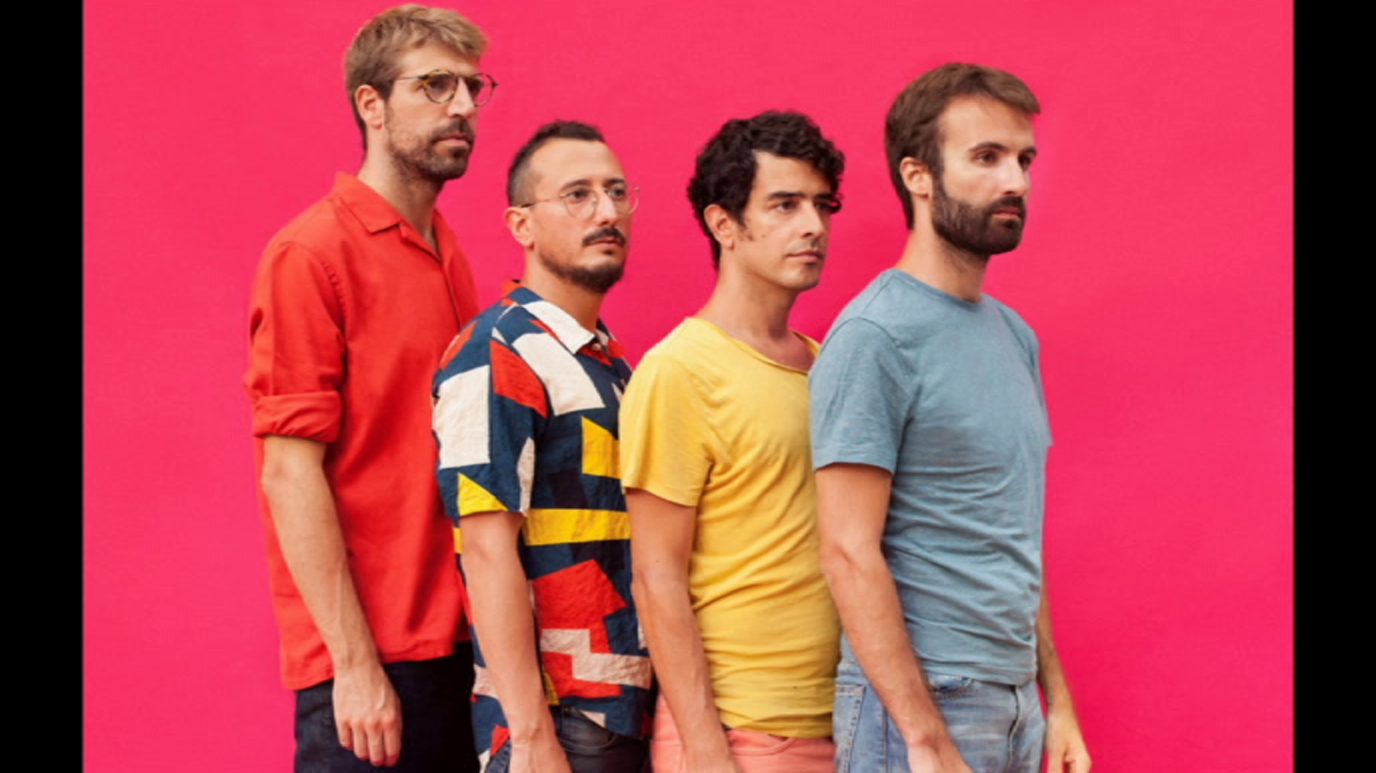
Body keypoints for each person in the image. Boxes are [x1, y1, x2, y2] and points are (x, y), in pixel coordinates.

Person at [809, 63, 1092, 773]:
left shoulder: (1014, 335)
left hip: (1015, 703)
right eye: (986, 157)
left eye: (1024, 159)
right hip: (921, 706)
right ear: (919, 176)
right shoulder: (875, 335)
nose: (1015, 181)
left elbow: (1014, 535)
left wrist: (1056, 701)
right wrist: (925, 736)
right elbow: (846, 550)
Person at [244, 6, 493, 770]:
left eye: (473, 86)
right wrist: (353, 664)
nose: (462, 105)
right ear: (371, 104)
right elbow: (289, 472)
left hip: (463, 649)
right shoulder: (310, 254)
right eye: (435, 85)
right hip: (371, 669)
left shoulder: (449, 253)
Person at [617, 111, 845, 773]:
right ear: (724, 224)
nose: (813, 225)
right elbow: (656, 577)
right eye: (784, 204)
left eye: (822, 205)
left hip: (843, 722)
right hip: (742, 736)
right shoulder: (680, 370)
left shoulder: (825, 362)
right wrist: (707, 751)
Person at [432, 120, 654, 773]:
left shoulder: (609, 361)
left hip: (624, 709)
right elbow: (485, 547)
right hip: (562, 721)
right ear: (522, 225)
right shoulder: (495, 350)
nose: (607, 212)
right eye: (578, 194)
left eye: (617, 192)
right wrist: (529, 736)